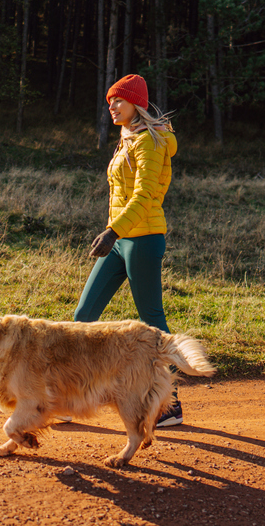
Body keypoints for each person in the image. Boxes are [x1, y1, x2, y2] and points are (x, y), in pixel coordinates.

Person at [71, 73, 185, 427]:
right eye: (109, 102)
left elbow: (145, 196)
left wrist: (112, 231)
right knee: (82, 318)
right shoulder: (128, 138)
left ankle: (169, 406)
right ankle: (70, 398)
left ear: (136, 102)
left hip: (143, 239)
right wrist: (114, 233)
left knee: (152, 321)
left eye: (118, 100)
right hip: (121, 238)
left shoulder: (150, 142)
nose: (112, 107)